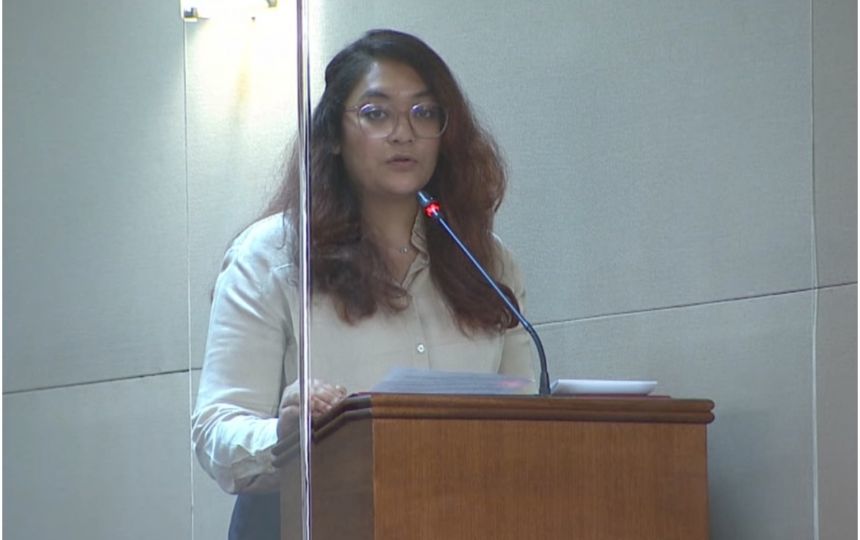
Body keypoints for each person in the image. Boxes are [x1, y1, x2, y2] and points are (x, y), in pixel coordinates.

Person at [192, 28, 536, 540]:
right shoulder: (271, 256)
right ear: (332, 134)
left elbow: (526, 417)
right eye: (377, 113)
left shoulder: (486, 261)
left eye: (424, 113)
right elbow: (215, 432)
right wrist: (284, 436)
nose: (405, 133)